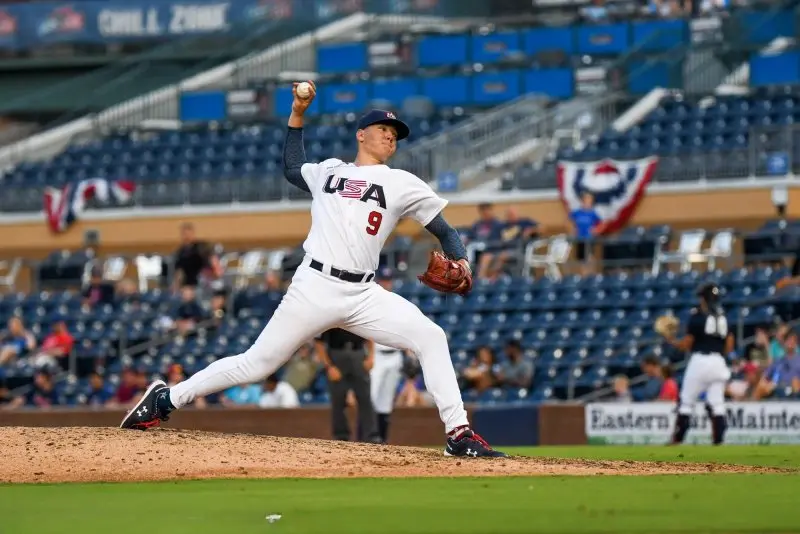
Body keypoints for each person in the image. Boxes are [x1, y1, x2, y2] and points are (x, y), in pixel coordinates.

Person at [119, 80, 507, 458]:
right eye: (383, 129)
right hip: (315, 284)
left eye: (395, 133)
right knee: (257, 364)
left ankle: (458, 434)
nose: (391, 136)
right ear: (361, 134)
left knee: (431, 336)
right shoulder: (330, 171)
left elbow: (445, 230)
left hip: (363, 295)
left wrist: (463, 261)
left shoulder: (402, 183)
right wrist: (297, 114)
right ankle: (167, 398)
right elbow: (291, 168)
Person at [660, 283, 733, 445]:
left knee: (686, 401)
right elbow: (729, 344)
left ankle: (677, 439)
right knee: (717, 403)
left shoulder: (697, 316)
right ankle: (718, 440)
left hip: (700, 360)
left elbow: (687, 344)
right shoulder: (724, 317)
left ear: (704, 299)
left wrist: (671, 340)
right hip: (718, 361)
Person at [316, 328, 379, 442]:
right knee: (338, 399)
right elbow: (319, 342)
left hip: (358, 353)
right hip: (336, 355)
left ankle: (371, 436)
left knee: (365, 397)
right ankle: (341, 436)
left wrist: (371, 357)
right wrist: (329, 366)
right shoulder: (330, 315)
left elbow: (370, 335)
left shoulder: (358, 312)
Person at [369, 266, 406, 443]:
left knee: (385, 401)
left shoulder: (397, 302)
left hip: (394, 355)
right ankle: (367, 438)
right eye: (383, 280)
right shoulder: (371, 301)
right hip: (376, 355)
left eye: (388, 280)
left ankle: (382, 440)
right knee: (371, 398)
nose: (386, 283)